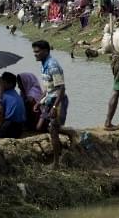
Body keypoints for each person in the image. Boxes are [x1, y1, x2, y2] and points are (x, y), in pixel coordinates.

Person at [32, 40, 73, 169]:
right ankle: (70, 132)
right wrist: (39, 102)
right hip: (50, 99)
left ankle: (56, 163)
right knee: (42, 127)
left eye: (37, 52)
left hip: (58, 100)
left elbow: (61, 88)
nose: (35, 54)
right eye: (34, 52)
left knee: (53, 130)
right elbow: (48, 87)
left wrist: (55, 107)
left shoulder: (52, 66)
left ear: (46, 51)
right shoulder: (44, 64)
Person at [0, 72, 26, 139]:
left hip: (10, 126)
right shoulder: (16, 95)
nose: (1, 85)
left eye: (3, 83)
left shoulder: (4, 96)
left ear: (10, 84)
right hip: (21, 127)